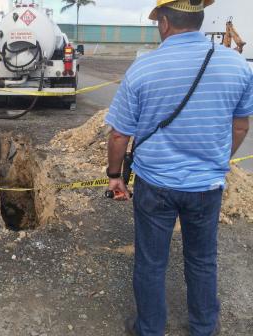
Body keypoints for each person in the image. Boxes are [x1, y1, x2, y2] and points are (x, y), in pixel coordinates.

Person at [104, 0, 252, 335]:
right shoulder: (237, 66)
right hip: (206, 187)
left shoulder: (143, 68)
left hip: (155, 185)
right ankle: (203, 327)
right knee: (202, 260)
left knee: (151, 262)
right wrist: (216, 160)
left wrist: (115, 176)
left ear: (165, 23)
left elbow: (119, 134)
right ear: (199, 19)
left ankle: (150, 328)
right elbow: (241, 126)